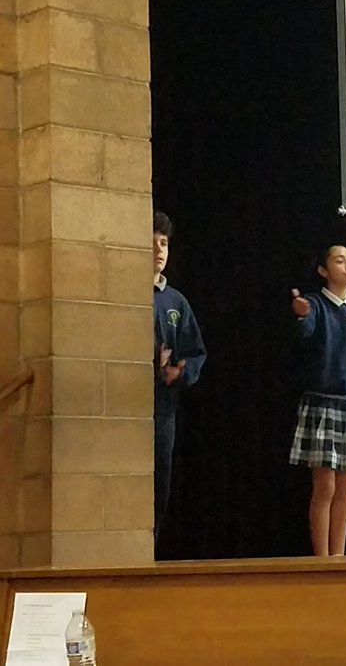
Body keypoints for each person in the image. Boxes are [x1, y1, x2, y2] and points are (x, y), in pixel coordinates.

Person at [288, 245, 346, 556]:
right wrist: (301, 316)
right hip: (323, 403)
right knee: (325, 486)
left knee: (345, 489)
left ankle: (339, 557)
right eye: (339, 260)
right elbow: (305, 330)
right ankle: (321, 560)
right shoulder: (315, 304)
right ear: (323, 270)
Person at [152, 209, 207, 547]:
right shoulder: (124, 294)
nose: (159, 250)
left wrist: (181, 370)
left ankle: (151, 547)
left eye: (164, 243)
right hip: (125, 403)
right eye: (152, 243)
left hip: (163, 407)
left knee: (160, 479)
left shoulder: (176, 301)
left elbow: (195, 352)